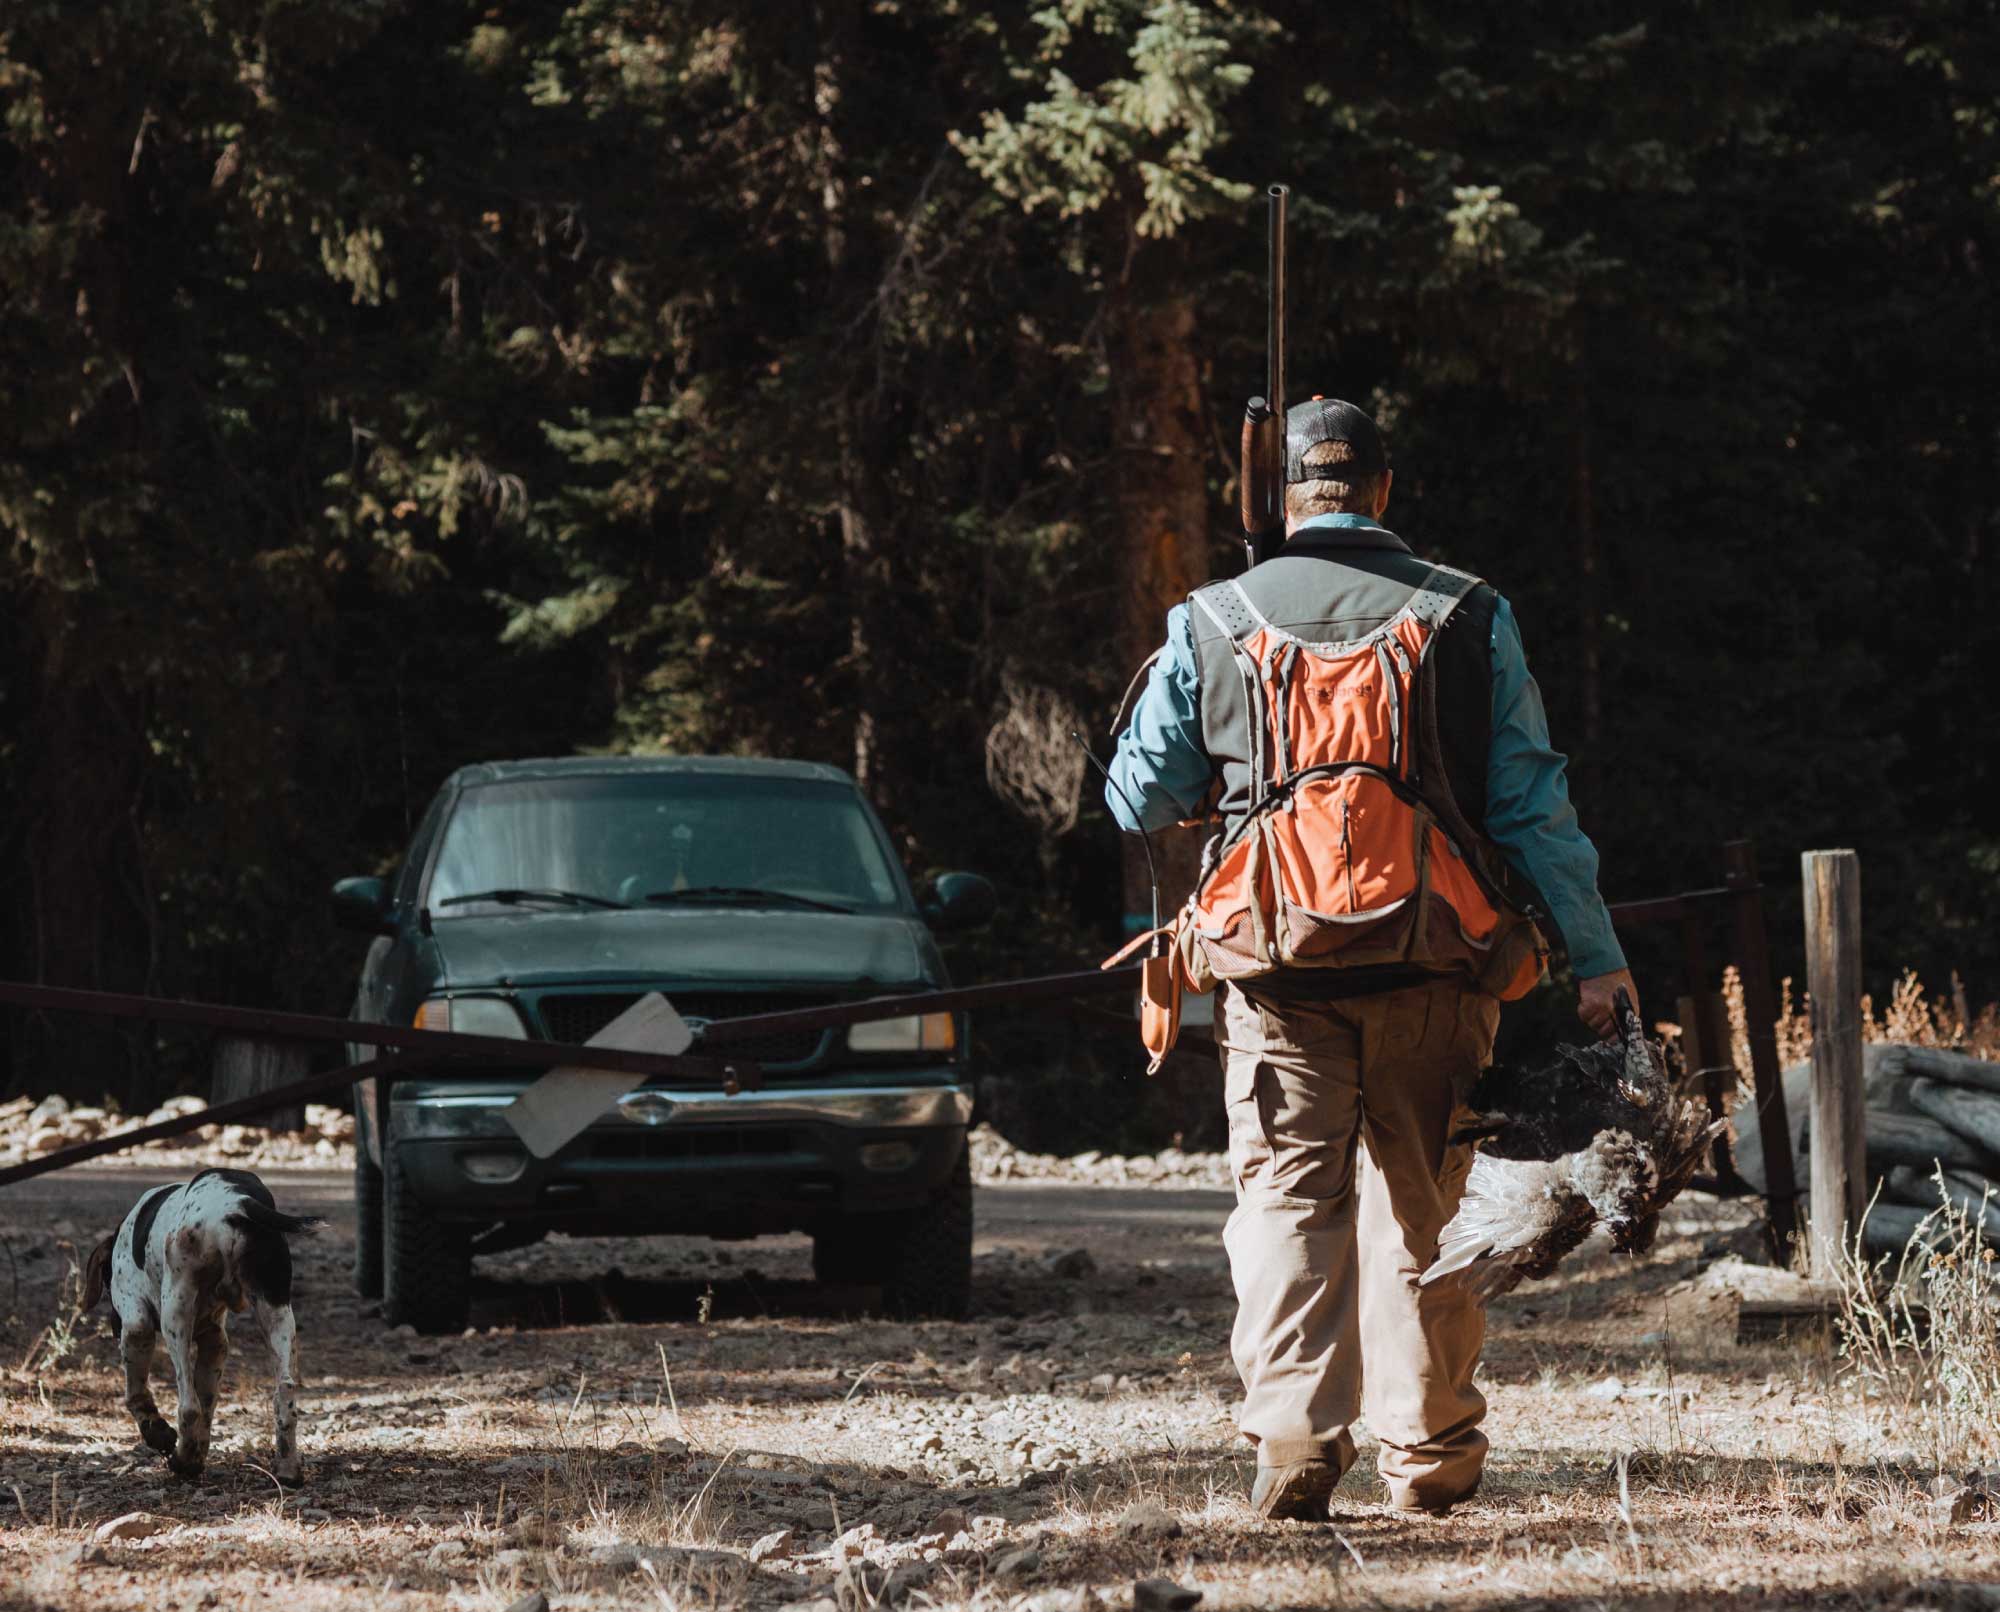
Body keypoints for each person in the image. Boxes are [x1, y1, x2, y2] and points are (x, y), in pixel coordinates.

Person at [1105, 397, 1634, 1520]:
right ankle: (1430, 1455)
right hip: (1437, 967)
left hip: (1273, 973)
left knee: (1288, 1203)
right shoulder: (1466, 613)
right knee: (1424, 1208)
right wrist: (1593, 957)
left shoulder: (1209, 616)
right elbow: (1533, 807)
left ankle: (1295, 1445)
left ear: (1281, 499)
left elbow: (1134, 794)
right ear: (1383, 491)